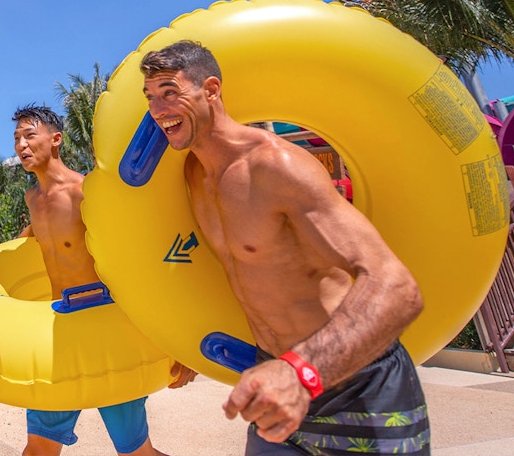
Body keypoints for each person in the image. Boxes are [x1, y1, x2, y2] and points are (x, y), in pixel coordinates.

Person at [139, 40, 429, 456]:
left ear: (212, 90)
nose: (158, 109)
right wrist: (186, 339)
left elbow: (399, 289)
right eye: (151, 98)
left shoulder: (275, 166)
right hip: (274, 380)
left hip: (359, 384)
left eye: (170, 92)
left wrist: (302, 373)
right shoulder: (190, 176)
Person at [11, 105, 194, 456]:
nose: (21, 145)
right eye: (16, 138)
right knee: (38, 450)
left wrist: (177, 339)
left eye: (29, 135)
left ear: (56, 139)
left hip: (107, 330)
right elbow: (42, 237)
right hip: (61, 333)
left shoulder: (86, 192)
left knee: (137, 453)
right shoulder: (32, 198)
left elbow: (139, 261)